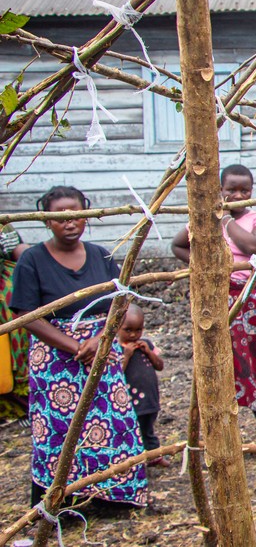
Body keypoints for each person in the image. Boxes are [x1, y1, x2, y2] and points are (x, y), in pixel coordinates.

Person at [11, 186, 147, 508]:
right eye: (60, 218)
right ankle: (63, 503)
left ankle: (113, 499)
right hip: (55, 359)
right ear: (47, 221)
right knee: (59, 429)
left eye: (76, 215)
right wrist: (74, 346)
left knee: (113, 421)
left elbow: (122, 302)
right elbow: (25, 315)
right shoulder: (32, 260)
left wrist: (102, 338)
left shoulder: (102, 256)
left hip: (102, 350)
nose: (70, 223)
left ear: (86, 213)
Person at [172, 164, 256, 444]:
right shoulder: (204, 219)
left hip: (252, 302)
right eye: (231, 190)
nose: (238, 195)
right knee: (221, 365)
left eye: (245, 190)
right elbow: (178, 246)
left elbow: (255, 246)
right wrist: (206, 269)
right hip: (218, 300)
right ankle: (219, 439)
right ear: (220, 190)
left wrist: (226, 220)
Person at [118, 303, 168, 466]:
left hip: (149, 398)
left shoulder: (146, 344)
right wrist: (127, 355)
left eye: (138, 330)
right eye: (128, 330)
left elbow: (159, 366)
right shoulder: (117, 349)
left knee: (148, 429)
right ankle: (135, 461)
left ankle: (154, 456)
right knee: (133, 430)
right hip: (130, 400)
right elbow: (117, 372)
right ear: (117, 326)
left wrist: (148, 351)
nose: (134, 335)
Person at [0, 223, 30, 423]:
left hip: (2, 284)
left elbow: (22, 252)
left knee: (13, 306)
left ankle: (19, 402)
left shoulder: (3, 226)